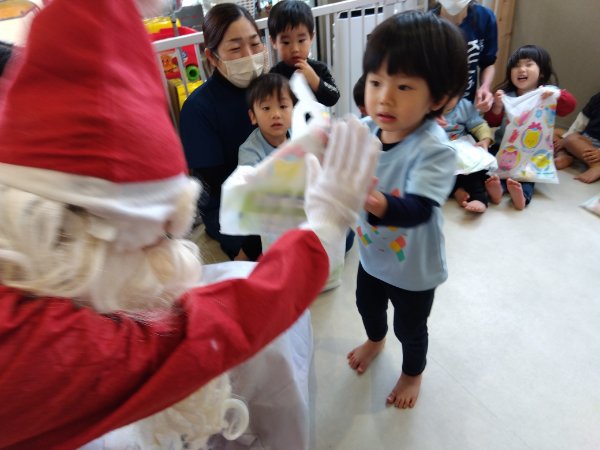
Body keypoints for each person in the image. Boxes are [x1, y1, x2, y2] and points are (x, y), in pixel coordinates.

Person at [0, 0, 381, 448]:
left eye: (254, 43)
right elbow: (194, 335)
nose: (164, 248)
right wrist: (320, 231)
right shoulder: (42, 353)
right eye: (154, 238)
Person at [346, 11, 468, 409]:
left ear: (437, 98)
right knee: (367, 306)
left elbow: (419, 208)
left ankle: (413, 372)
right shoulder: (366, 130)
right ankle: (375, 339)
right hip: (371, 255)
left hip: (414, 269)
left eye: (403, 86)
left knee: (410, 327)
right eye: (376, 82)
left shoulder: (434, 149)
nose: (384, 97)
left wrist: (376, 202)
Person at [180, 3, 265, 262]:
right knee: (260, 250)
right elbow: (216, 186)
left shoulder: (270, 90)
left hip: (276, 190)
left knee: (341, 235)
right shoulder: (198, 108)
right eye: (236, 48)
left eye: (255, 44)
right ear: (213, 57)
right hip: (229, 203)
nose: (249, 55)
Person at [484, 44, 577, 209]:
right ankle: (498, 190)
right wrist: (497, 106)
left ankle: (522, 196)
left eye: (528, 64)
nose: (521, 69)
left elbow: (569, 106)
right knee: (490, 169)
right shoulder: (507, 95)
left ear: (541, 72)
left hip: (532, 151)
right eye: (516, 66)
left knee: (528, 175)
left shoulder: (547, 93)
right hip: (503, 146)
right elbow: (492, 122)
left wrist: (557, 95)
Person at [268, 0, 340, 107]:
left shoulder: (319, 68)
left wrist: (315, 80)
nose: (295, 49)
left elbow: (334, 96)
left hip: (317, 118)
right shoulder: (274, 74)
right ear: (274, 42)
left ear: (311, 37)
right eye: (286, 42)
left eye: (301, 40)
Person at [433, 0, 498, 112]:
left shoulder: (484, 17)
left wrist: (485, 87)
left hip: (465, 106)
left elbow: (488, 63)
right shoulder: (427, 24)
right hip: (434, 106)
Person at [440, 96, 494, 213]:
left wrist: (485, 140)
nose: (443, 99)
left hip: (461, 148)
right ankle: (455, 191)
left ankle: (479, 198)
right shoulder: (422, 107)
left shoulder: (464, 106)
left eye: (450, 95)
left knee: (472, 172)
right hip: (436, 150)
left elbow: (479, 125)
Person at [238, 72, 296, 166]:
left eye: (283, 106)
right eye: (266, 108)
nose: (276, 115)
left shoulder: (300, 134)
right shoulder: (249, 152)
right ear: (253, 116)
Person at [554, 90, 600, 183]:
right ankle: (564, 155)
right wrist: (565, 139)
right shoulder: (597, 98)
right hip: (585, 140)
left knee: (571, 139)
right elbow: (580, 122)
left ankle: (597, 165)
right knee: (555, 132)